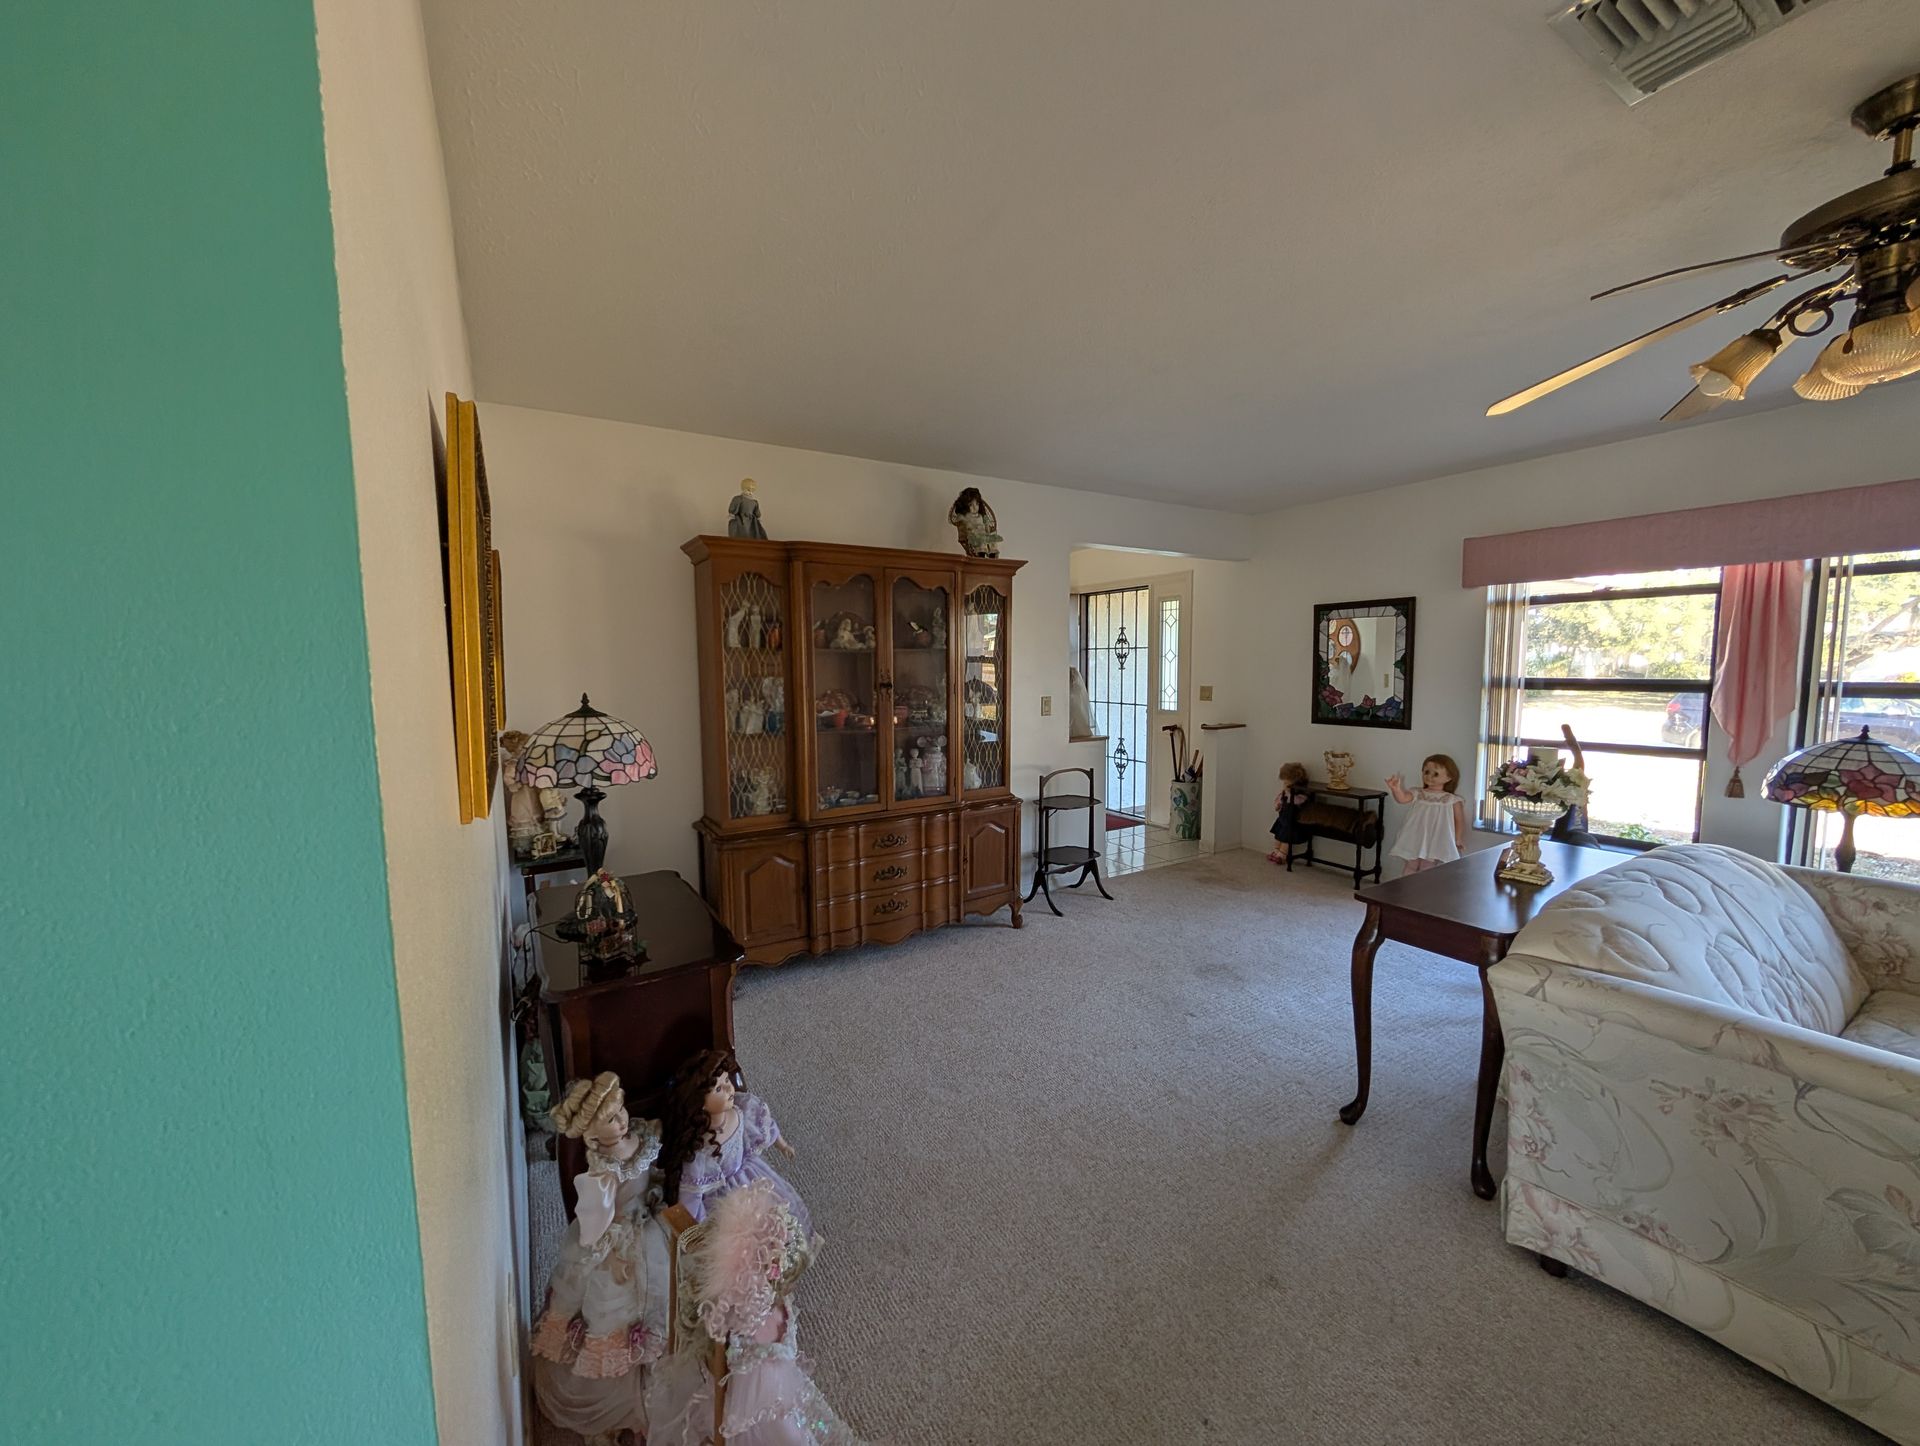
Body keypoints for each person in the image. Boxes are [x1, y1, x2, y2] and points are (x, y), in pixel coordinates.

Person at [531, 1073, 672, 1446]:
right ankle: (623, 1404)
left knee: (664, 1295)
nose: (621, 1120)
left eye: (620, 1110)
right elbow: (597, 1220)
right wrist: (610, 1252)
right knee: (613, 1312)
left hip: (649, 1220)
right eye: (610, 1120)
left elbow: (648, 1168)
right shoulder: (604, 1171)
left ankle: (655, 1381)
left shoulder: (638, 1136)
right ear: (592, 1135)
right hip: (621, 1238)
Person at [661, 1049, 816, 1247]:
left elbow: (766, 1125)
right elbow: (692, 1194)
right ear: (700, 1104)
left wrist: (782, 1144)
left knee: (773, 1213)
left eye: (727, 1080)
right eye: (719, 1089)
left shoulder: (741, 1108)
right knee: (740, 1238)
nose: (729, 1088)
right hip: (725, 1195)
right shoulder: (702, 1149)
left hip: (751, 1175)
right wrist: (695, 1230)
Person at [1386, 754, 1468, 874]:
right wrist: (1396, 789)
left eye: (1435, 774)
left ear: (1449, 777)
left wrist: (1458, 838)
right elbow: (1402, 799)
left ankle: (1423, 886)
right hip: (1415, 835)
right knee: (1411, 864)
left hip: (1435, 837)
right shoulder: (1418, 793)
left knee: (1427, 866)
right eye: (1426, 772)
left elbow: (1459, 821)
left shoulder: (1452, 799)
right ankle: (1406, 885)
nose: (1429, 776)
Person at [1269, 762, 1312, 864]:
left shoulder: (1300, 793)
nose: (1285, 785)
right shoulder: (1284, 792)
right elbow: (1279, 799)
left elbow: (1299, 801)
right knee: (1278, 835)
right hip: (1283, 818)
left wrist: (1289, 793)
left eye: (1287, 783)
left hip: (1292, 820)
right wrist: (1278, 804)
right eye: (1284, 783)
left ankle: (1281, 855)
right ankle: (1276, 851)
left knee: (1286, 838)